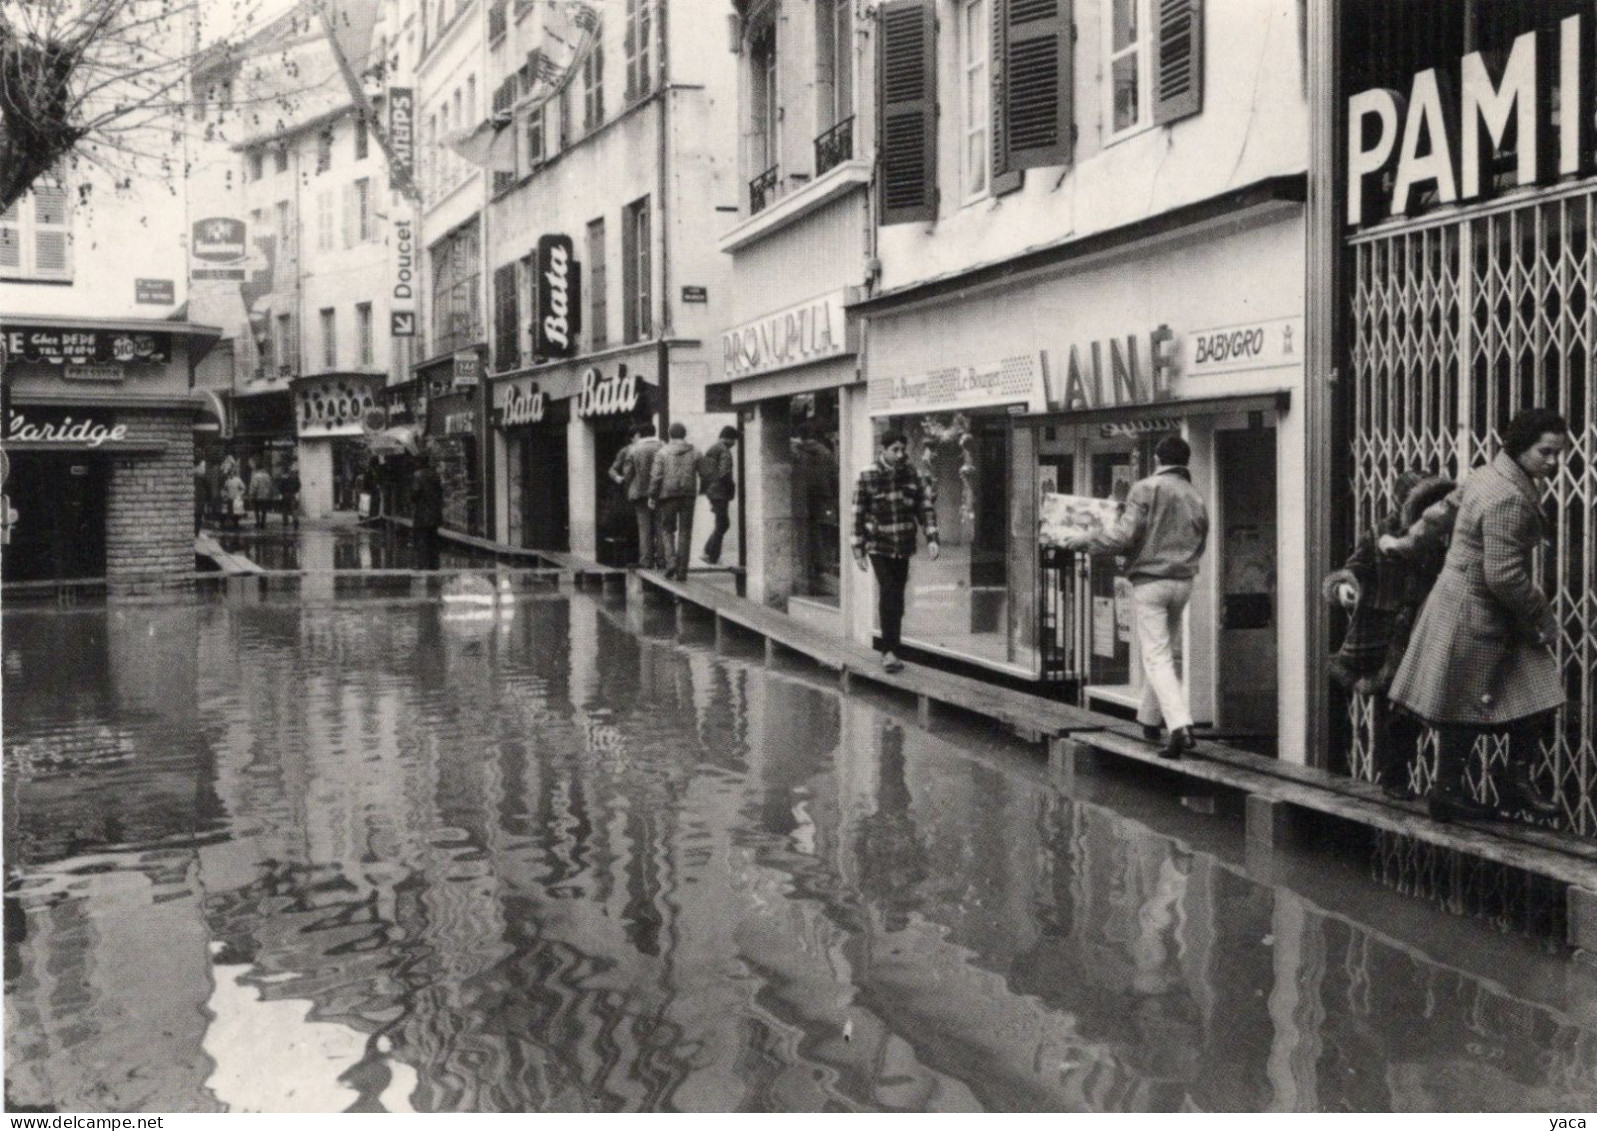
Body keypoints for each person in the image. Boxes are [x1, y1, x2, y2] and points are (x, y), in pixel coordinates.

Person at [1386, 408, 1569, 824]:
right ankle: (1472, 790)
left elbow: (1441, 512)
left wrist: (1406, 543)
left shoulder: (1488, 475)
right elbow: (1504, 576)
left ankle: (1482, 787)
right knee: (1487, 698)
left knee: (1487, 695)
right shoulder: (1507, 495)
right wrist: (1543, 618)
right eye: (1546, 452)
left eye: (1559, 452)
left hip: (1460, 603)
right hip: (1480, 609)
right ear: (1520, 447)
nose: (1554, 462)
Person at [1063, 435, 1209, 760]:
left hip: (1150, 581)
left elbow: (1125, 536)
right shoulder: (1195, 496)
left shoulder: (1146, 488)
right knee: (1163, 651)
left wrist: (1086, 540)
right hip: (1183, 580)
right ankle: (1148, 719)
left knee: (1156, 656)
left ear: (1157, 459)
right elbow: (1201, 538)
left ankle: (1180, 726)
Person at [1322, 471, 1455, 799]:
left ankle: (1447, 786)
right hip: (1390, 635)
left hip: (1432, 626)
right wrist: (1344, 589)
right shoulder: (1380, 532)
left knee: (1434, 705)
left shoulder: (1446, 533)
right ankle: (1394, 777)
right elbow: (1353, 569)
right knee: (1395, 706)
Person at [851, 430, 939, 674]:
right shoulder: (868, 475)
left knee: (897, 597)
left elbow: (925, 507)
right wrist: (857, 549)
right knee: (888, 591)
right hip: (878, 545)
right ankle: (888, 651)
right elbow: (857, 512)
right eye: (895, 450)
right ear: (884, 450)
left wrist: (932, 537)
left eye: (903, 450)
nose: (900, 455)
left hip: (904, 544)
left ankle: (893, 648)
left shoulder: (913, 475)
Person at [649, 422, 700, 580]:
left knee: (667, 530)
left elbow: (656, 476)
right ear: (684, 434)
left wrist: (652, 495)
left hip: (668, 496)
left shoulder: (662, 453)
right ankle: (682, 571)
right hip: (688, 496)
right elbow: (706, 471)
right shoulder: (695, 452)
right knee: (685, 532)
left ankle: (671, 562)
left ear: (670, 435)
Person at [610, 423, 664, 568]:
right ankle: (662, 560)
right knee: (660, 527)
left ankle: (646, 561)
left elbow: (627, 474)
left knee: (644, 529)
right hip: (660, 494)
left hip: (640, 494)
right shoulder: (664, 447)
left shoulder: (633, 450)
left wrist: (627, 486)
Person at [699, 425, 738, 565]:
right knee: (723, 523)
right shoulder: (725, 452)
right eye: (734, 440)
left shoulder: (712, 449)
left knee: (721, 523)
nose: (734, 443)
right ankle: (711, 555)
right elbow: (724, 474)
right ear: (729, 438)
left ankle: (709, 552)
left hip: (711, 490)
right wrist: (732, 488)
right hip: (720, 492)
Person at [410, 450, 445, 570]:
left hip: (422, 512)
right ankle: (434, 564)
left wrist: (412, 499)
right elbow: (440, 493)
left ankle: (421, 564)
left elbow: (415, 493)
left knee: (421, 538)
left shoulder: (417, 475)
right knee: (433, 539)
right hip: (434, 512)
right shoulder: (434, 474)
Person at [247, 462, 277, 529]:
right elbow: (271, 486)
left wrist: (251, 495)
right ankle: (263, 522)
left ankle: (258, 522)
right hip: (266, 496)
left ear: (257, 469)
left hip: (257, 496)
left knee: (256, 510)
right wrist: (271, 494)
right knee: (264, 510)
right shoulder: (267, 476)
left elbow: (254, 486)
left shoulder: (255, 476)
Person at [221, 465, 247, 532]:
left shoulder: (238, 480)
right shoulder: (227, 481)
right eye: (230, 473)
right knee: (230, 512)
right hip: (230, 498)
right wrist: (225, 495)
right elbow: (224, 489)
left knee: (237, 512)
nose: (231, 474)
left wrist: (240, 495)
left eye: (232, 472)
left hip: (236, 498)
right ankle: (232, 524)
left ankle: (236, 524)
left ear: (234, 473)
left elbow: (243, 488)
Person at [277, 461, 302, 528]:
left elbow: (280, 486)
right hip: (293, 494)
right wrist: (296, 491)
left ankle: (285, 521)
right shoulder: (295, 477)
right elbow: (298, 485)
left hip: (285, 494)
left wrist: (281, 493)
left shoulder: (283, 478)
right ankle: (295, 520)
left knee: (284, 508)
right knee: (294, 508)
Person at [193, 456, 209, 533]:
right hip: (199, 499)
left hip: (197, 499)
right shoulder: (203, 478)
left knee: (197, 516)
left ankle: (196, 531)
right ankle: (196, 532)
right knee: (198, 516)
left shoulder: (194, 476)